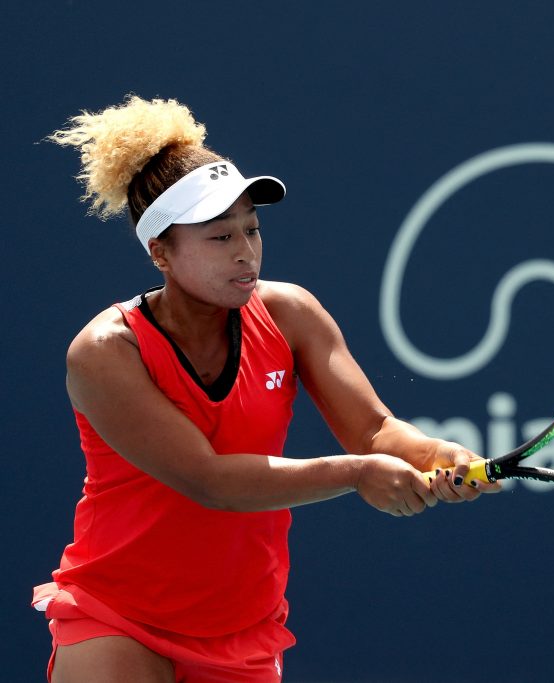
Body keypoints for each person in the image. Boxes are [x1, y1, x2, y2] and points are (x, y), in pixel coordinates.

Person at [33, 95, 498, 682]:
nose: (246, 252)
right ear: (161, 255)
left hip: (241, 625)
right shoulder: (106, 352)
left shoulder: (290, 313)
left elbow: (374, 430)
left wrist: (436, 453)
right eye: (219, 238)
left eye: (251, 230)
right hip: (117, 614)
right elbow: (209, 480)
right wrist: (355, 473)